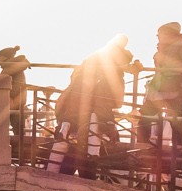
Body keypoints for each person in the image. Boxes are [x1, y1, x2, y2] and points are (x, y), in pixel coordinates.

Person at [55, 35, 131, 179]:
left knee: (68, 149)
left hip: (74, 115)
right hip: (92, 119)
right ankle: (86, 175)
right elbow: (117, 102)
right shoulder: (110, 74)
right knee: (92, 146)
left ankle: (53, 179)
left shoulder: (91, 62)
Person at [137, 22, 182, 149]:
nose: (158, 37)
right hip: (157, 91)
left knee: (177, 122)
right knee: (145, 118)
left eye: (159, 34)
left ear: (167, 33)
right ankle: (142, 148)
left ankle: (180, 152)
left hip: (175, 90)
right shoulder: (163, 47)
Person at [0, 46, 31, 160]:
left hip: (14, 102)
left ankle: (20, 154)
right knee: (17, 129)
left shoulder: (11, 69)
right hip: (15, 102)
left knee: (15, 129)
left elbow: (15, 87)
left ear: (5, 58)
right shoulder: (15, 68)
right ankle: (21, 155)